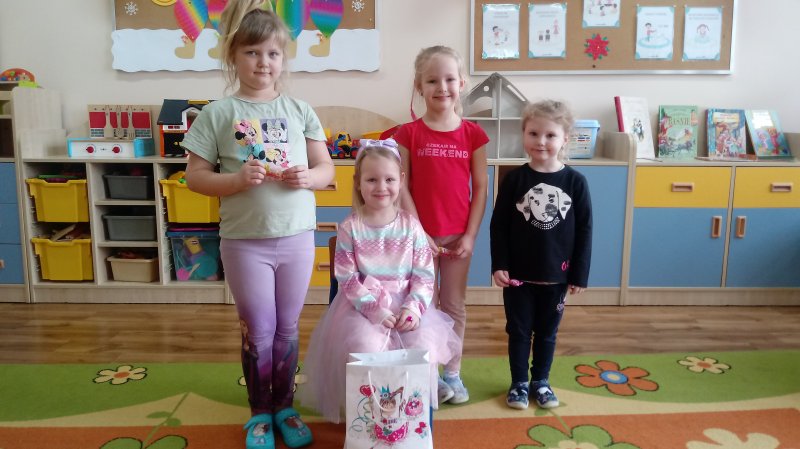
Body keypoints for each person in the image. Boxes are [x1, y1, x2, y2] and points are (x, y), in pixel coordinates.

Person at [180, 1, 334, 448]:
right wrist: (235, 180)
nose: (263, 62)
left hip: (297, 237)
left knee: (287, 328)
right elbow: (194, 177)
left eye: (272, 53)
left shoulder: (300, 109)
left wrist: (310, 177)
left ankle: (284, 406)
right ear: (233, 56)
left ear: (283, 58)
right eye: (251, 52)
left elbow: (326, 169)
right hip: (246, 241)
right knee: (259, 330)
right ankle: (259, 412)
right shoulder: (217, 113)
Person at [300, 139, 460, 423]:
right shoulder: (350, 227)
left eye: (389, 179)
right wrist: (375, 310)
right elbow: (347, 278)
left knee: (422, 343)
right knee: (365, 345)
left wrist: (413, 309)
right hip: (363, 307)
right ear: (358, 183)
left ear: (401, 180)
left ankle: (411, 416)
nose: (381, 187)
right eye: (371, 179)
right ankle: (372, 418)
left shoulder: (411, 226)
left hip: (408, 304)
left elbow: (424, 275)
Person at [394, 45, 489, 405]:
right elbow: (401, 185)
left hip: (458, 237)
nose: (442, 87)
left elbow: (481, 187)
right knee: (421, 304)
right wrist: (418, 231)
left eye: (449, 79)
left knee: (453, 305)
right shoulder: (408, 134)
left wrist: (470, 235)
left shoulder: (473, 134)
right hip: (417, 237)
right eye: (432, 80)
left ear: (461, 83)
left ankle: (452, 372)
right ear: (419, 86)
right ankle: (427, 372)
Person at [489, 100, 592, 411]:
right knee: (518, 331)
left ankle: (541, 382)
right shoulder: (514, 180)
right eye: (533, 133)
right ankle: (519, 383)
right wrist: (499, 264)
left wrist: (579, 274)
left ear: (565, 139)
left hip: (556, 277)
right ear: (524, 134)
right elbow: (499, 226)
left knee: (547, 333)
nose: (541, 141)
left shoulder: (575, 182)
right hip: (518, 277)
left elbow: (585, 230)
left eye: (550, 135)